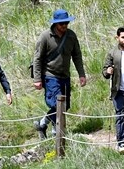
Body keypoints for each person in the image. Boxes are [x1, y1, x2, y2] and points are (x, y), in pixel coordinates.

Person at [32, 9, 86, 139]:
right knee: (57, 104)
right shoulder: (45, 37)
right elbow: (37, 58)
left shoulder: (71, 36)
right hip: (50, 75)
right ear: (55, 23)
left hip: (65, 76)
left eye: (66, 23)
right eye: (62, 23)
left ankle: (42, 123)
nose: (64, 25)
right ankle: (56, 133)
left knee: (65, 105)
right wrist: (37, 79)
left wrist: (81, 74)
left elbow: (77, 56)